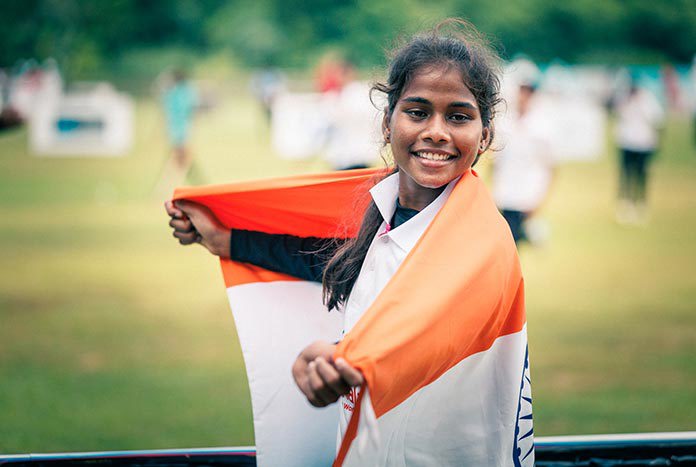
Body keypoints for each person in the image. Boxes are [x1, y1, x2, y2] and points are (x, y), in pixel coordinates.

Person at [166, 19, 532, 466]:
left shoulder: (483, 240)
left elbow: (428, 325)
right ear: (387, 122)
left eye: (458, 116)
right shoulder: (381, 211)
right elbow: (333, 261)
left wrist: (347, 362)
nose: (437, 131)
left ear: (485, 135)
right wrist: (228, 241)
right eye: (417, 111)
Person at [493, 81, 556, 243]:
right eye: (522, 91)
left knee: (512, 242)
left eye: (528, 93)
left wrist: (539, 198)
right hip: (505, 192)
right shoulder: (505, 122)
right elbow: (498, 161)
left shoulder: (542, 126)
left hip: (527, 193)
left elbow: (550, 166)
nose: (523, 97)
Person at [614, 79, 664, 224]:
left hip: (644, 143)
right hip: (627, 142)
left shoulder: (648, 100)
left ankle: (641, 203)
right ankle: (625, 204)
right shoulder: (624, 99)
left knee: (642, 175)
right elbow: (617, 114)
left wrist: (657, 143)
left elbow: (657, 120)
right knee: (626, 174)